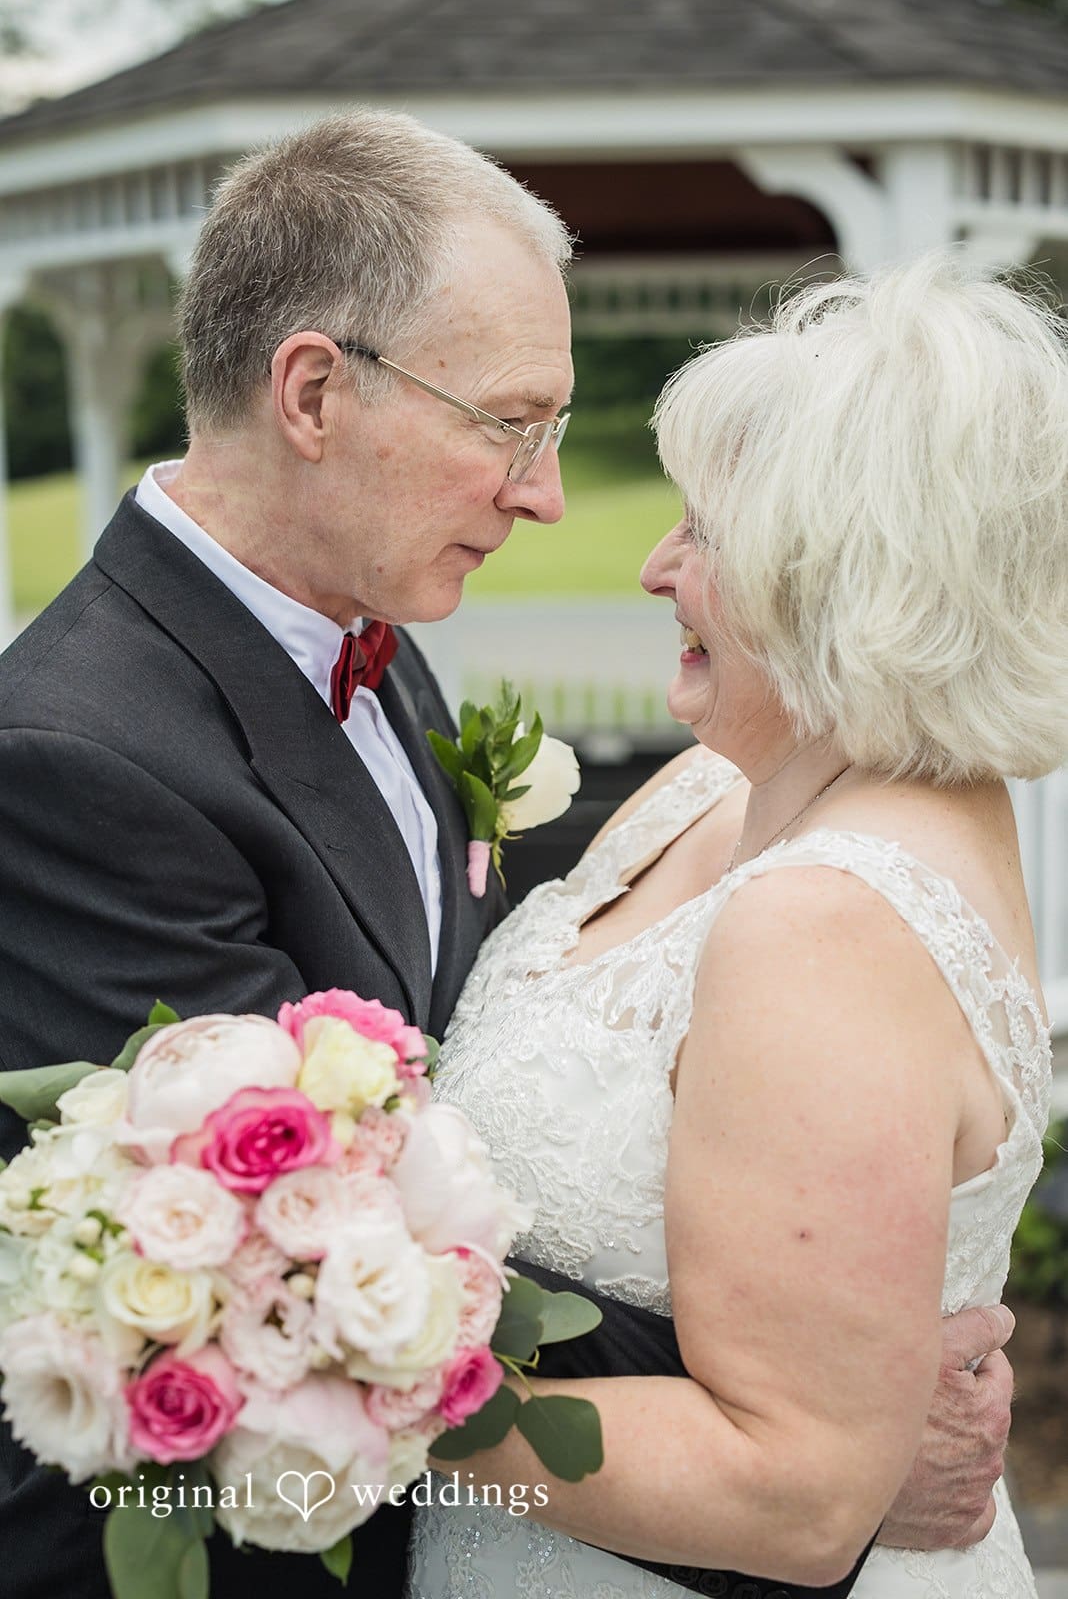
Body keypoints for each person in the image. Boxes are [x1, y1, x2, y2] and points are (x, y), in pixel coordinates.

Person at [0, 109, 1011, 1599]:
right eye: (510, 422)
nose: (546, 493)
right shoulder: (74, 762)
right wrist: (834, 1430)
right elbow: (289, 1266)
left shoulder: (377, 639)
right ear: (314, 394)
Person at [406, 253, 1066, 1598]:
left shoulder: (831, 920)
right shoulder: (714, 785)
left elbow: (793, 1495)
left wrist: (335, 1379)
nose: (655, 567)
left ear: (851, 576)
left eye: (706, 533)